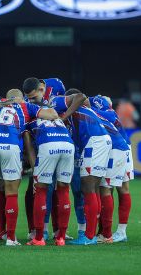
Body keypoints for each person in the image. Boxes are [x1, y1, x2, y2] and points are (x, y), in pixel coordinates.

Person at [0, 90, 58, 246]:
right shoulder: (27, 106)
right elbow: (52, 114)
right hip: (11, 146)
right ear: (21, 97)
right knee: (11, 194)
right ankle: (11, 238)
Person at [50, 88, 111, 245]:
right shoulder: (83, 111)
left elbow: (80, 96)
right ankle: (90, 234)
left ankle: (89, 237)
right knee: (93, 189)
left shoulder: (57, 102)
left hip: (95, 142)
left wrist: (65, 115)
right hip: (99, 141)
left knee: (88, 188)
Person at [23, 103, 81, 246]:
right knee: (63, 190)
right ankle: (61, 237)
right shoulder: (58, 119)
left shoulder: (29, 121)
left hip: (48, 145)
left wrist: (34, 167)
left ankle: (39, 238)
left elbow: (29, 146)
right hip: (68, 146)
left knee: (41, 189)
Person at [22, 76, 66, 239]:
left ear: (42, 89)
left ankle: (56, 231)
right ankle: (34, 229)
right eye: (28, 98)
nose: (31, 100)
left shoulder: (56, 89)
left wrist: (64, 117)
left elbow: (70, 101)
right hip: (41, 146)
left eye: (33, 97)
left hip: (53, 141)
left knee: (55, 189)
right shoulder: (28, 106)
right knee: (35, 189)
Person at [89, 95, 133, 243]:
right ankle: (120, 231)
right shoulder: (111, 113)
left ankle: (106, 233)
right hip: (126, 146)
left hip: (114, 149)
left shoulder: (98, 113)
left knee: (106, 188)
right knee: (123, 188)